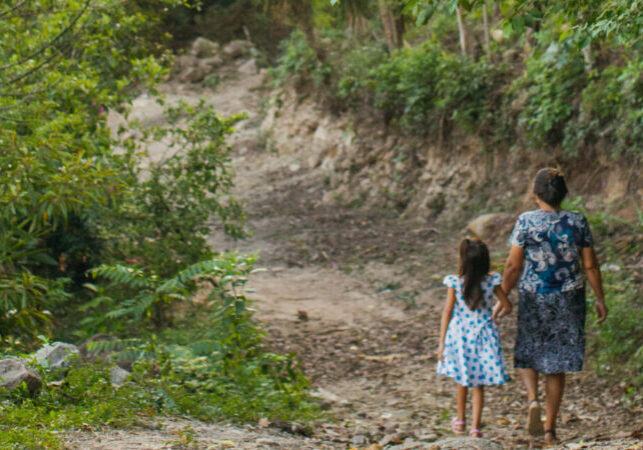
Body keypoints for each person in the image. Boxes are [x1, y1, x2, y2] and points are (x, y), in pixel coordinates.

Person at [502, 168, 608, 444]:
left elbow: (513, 265)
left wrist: (503, 294)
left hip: (534, 296)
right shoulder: (578, 221)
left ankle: (532, 400)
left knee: (528, 350)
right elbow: (590, 265)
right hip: (569, 297)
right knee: (556, 363)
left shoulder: (526, 222)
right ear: (563, 194)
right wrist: (600, 298)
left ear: (536, 194)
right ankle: (550, 429)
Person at [437, 238, 513, 438]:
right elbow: (507, 306)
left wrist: (441, 343)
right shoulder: (492, 282)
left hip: (460, 334)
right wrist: (494, 315)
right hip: (483, 333)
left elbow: (447, 311)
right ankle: (476, 427)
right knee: (478, 384)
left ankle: (460, 420)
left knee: (462, 379)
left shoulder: (455, 282)